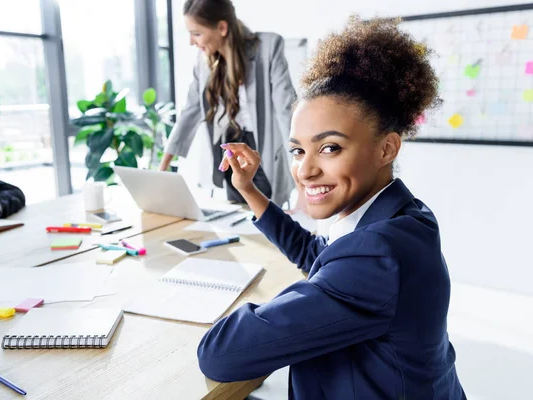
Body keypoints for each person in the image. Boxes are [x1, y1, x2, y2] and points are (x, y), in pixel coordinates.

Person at [197, 17, 466, 399]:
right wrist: (250, 192)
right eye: (297, 150)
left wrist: (287, 309)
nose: (305, 170)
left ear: (386, 148)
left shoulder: (374, 256)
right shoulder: (402, 215)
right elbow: (319, 255)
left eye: (330, 148)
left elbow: (219, 355)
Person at [159, 0, 297, 207]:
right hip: (231, 150)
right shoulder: (204, 61)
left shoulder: (268, 47)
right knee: (239, 220)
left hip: (261, 153)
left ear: (222, 28)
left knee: (266, 219)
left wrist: (302, 174)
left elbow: (287, 108)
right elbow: (190, 110)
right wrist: (162, 170)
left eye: (196, 33)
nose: (191, 42)